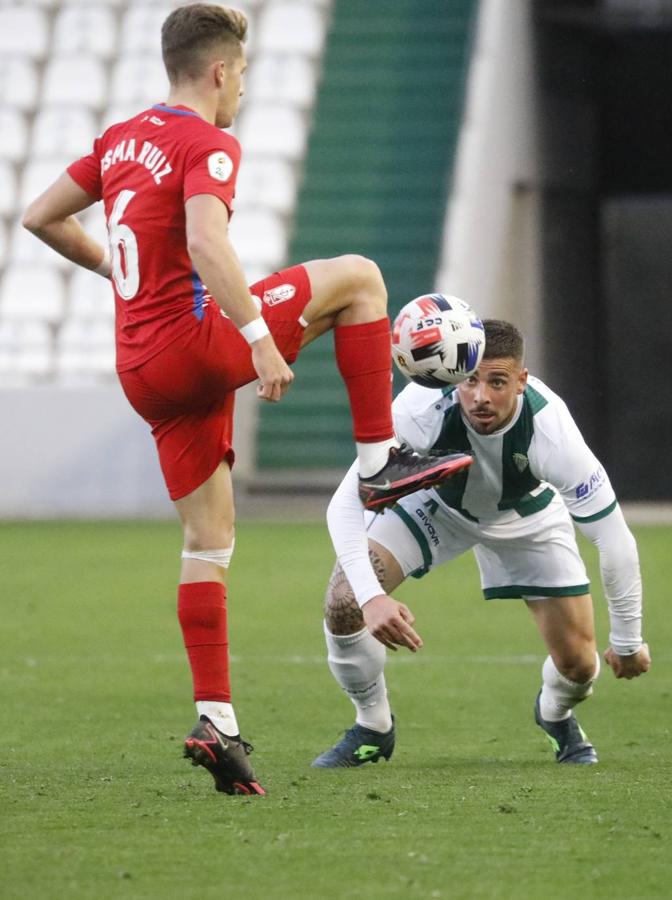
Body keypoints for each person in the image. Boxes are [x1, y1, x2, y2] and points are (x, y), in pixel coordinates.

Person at [22, 4, 472, 796]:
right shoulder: (208, 141)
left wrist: (118, 279)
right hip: (191, 348)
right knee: (361, 278)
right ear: (221, 72)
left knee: (208, 540)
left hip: (139, 366)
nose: (241, 94)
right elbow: (204, 240)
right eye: (242, 77)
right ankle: (378, 464)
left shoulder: (121, 139)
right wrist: (257, 336)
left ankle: (218, 724)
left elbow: (39, 216)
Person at [313, 318, 651, 768]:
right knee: (343, 603)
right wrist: (371, 598)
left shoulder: (551, 430)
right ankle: (372, 726)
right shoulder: (418, 409)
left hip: (527, 519)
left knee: (580, 666)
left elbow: (614, 538)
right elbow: (345, 506)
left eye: (497, 382)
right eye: (471, 380)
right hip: (435, 505)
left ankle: (555, 714)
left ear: (521, 380)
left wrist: (627, 641)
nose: (481, 396)